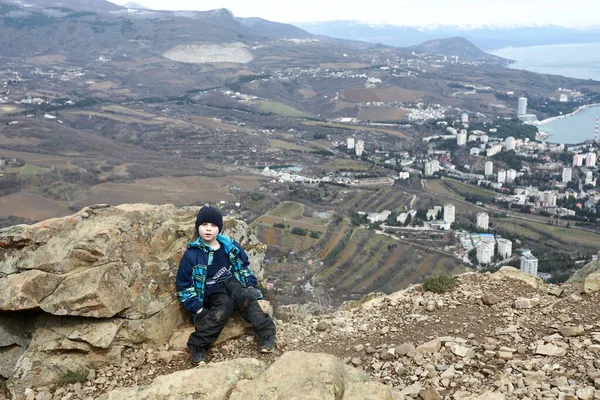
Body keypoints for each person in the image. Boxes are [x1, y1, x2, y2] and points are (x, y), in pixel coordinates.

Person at [176, 205, 276, 364]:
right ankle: (198, 345)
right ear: (198, 227)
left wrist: (249, 284)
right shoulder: (192, 255)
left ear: (219, 229)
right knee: (225, 305)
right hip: (211, 291)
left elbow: (243, 266)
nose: (208, 229)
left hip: (232, 282)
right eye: (204, 225)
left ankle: (266, 332)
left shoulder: (229, 246)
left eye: (213, 225)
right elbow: (184, 285)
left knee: (244, 296)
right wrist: (198, 309)